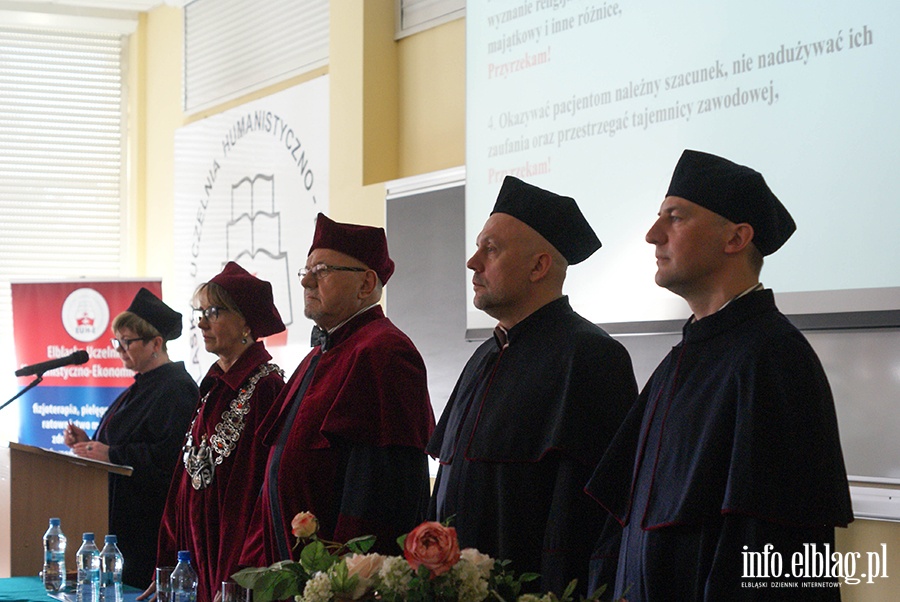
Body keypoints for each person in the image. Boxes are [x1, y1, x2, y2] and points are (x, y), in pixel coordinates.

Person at [586, 150, 853, 600]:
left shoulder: (774, 359)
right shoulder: (679, 361)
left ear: (735, 238)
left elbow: (776, 559)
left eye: (675, 218)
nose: (653, 235)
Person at [427, 176, 638, 595]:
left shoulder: (591, 357)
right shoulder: (484, 356)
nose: (473, 262)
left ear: (539, 266)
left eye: (491, 249)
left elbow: (588, 521)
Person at [241, 213, 434, 565]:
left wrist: (346, 581)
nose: (306, 284)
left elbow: (378, 494)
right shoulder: (320, 352)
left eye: (322, 271)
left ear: (365, 284)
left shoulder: (384, 352)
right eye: (306, 272)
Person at [155, 262, 286, 602]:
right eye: (199, 312)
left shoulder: (266, 387)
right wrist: (169, 560)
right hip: (195, 555)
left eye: (213, 312)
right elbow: (185, 478)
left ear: (245, 321)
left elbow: (265, 491)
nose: (200, 322)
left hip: (234, 559)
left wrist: (243, 574)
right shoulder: (213, 387)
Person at [64, 287, 198, 587]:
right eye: (117, 341)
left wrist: (111, 454)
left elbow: (171, 458)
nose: (119, 349)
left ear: (156, 343)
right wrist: (88, 442)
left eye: (127, 342)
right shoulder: (142, 385)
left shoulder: (176, 388)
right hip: (119, 519)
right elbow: (122, 441)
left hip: (147, 525)